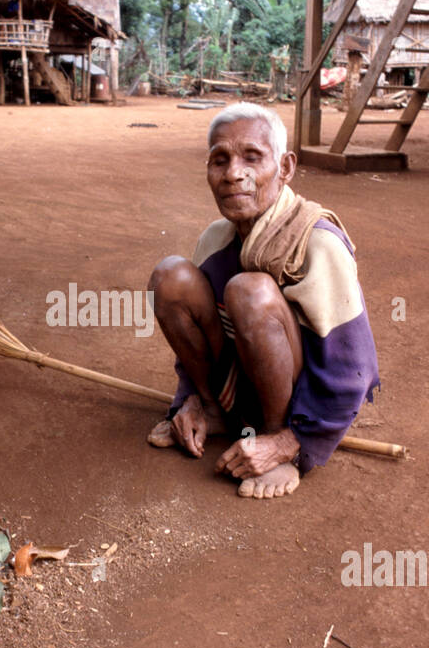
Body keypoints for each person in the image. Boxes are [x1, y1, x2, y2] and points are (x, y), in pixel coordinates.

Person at [148, 102, 380, 499]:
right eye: (219, 160)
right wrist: (190, 398)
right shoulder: (215, 238)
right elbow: (199, 338)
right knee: (170, 275)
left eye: (252, 157)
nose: (233, 173)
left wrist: (291, 441)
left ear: (286, 168)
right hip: (240, 390)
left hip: (297, 408)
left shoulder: (318, 243)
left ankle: (272, 439)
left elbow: (353, 369)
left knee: (249, 290)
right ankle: (214, 409)